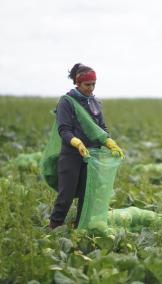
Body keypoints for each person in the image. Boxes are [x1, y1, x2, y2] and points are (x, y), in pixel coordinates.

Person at [48, 63, 125, 229]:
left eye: (93, 84)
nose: (91, 88)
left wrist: (109, 141)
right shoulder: (66, 102)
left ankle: (79, 227)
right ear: (77, 83)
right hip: (72, 154)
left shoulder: (95, 103)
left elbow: (101, 128)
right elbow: (64, 129)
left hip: (92, 155)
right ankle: (54, 225)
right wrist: (76, 142)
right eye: (87, 85)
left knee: (87, 193)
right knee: (66, 194)